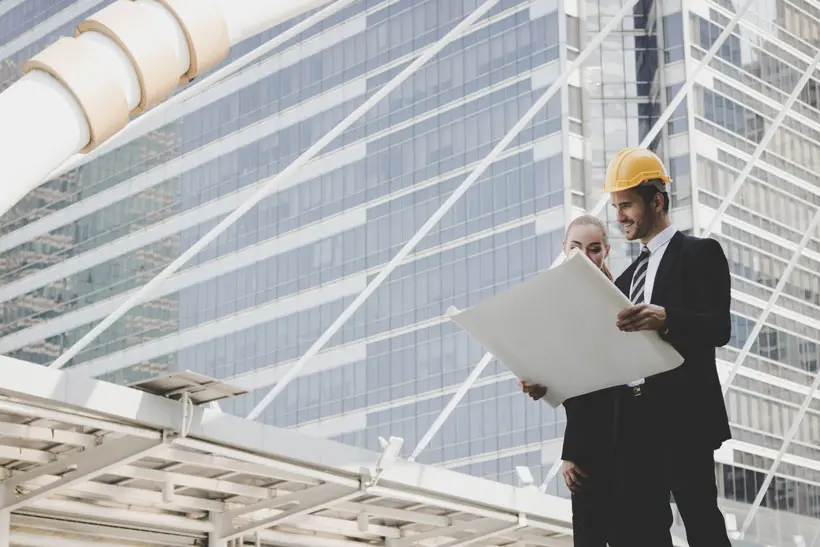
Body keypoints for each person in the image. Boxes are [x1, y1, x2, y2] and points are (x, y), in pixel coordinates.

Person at [607, 147, 732, 546]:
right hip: (632, 422)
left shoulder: (701, 254)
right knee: (643, 532)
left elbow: (720, 328)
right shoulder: (622, 282)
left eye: (626, 205)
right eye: (616, 207)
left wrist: (668, 319)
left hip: (684, 416)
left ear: (656, 201)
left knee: (701, 523)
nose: (619, 216)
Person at [520, 214, 623, 547]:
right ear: (564, 249)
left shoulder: (621, 301)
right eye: (576, 247)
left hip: (626, 441)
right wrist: (541, 384)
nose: (584, 255)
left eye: (593, 249)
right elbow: (575, 387)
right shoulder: (559, 307)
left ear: (606, 251)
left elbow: (603, 386)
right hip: (588, 449)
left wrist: (573, 451)